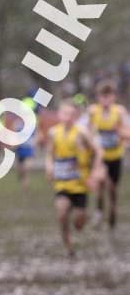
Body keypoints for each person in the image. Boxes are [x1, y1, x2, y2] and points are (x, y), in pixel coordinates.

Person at [45, 101, 104, 257]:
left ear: (76, 116)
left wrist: (96, 171)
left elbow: (98, 151)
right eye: (65, 113)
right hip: (62, 182)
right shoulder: (53, 133)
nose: (68, 117)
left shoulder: (82, 132)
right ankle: (68, 243)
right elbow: (49, 155)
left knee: (79, 222)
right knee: (62, 213)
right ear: (59, 114)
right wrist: (49, 166)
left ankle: (78, 225)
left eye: (71, 114)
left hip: (80, 184)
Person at [87, 81, 129, 228]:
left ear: (114, 97)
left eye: (108, 96)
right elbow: (86, 132)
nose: (105, 100)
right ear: (98, 97)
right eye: (102, 96)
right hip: (100, 156)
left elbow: (128, 134)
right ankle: (99, 211)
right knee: (101, 181)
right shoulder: (93, 111)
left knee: (112, 188)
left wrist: (119, 131)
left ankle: (112, 210)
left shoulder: (120, 112)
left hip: (116, 156)